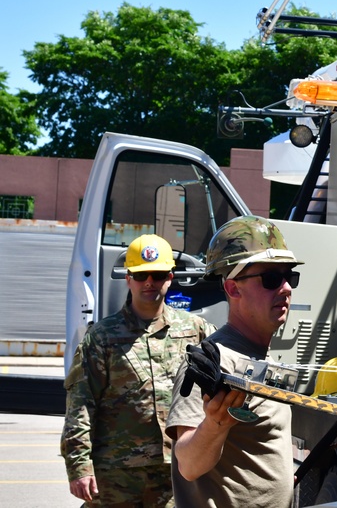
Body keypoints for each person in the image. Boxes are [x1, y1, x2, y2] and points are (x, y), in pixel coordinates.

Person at [61, 234, 215, 507]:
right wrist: (79, 466)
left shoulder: (196, 330)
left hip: (176, 469)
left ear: (169, 277)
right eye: (141, 275)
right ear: (128, 278)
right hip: (116, 473)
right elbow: (81, 404)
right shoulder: (101, 336)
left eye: (157, 275)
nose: (149, 282)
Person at [165, 215, 302, 508]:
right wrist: (215, 424)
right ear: (232, 289)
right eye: (271, 279)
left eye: (289, 277)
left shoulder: (263, 358)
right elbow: (187, 464)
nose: (287, 289)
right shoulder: (215, 363)